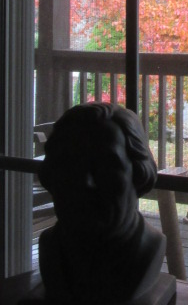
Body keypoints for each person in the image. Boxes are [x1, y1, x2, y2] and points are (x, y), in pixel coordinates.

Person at [37, 102, 169, 304]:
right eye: (71, 165)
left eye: (105, 166)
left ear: (139, 174)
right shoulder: (51, 248)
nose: (86, 181)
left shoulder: (148, 250)